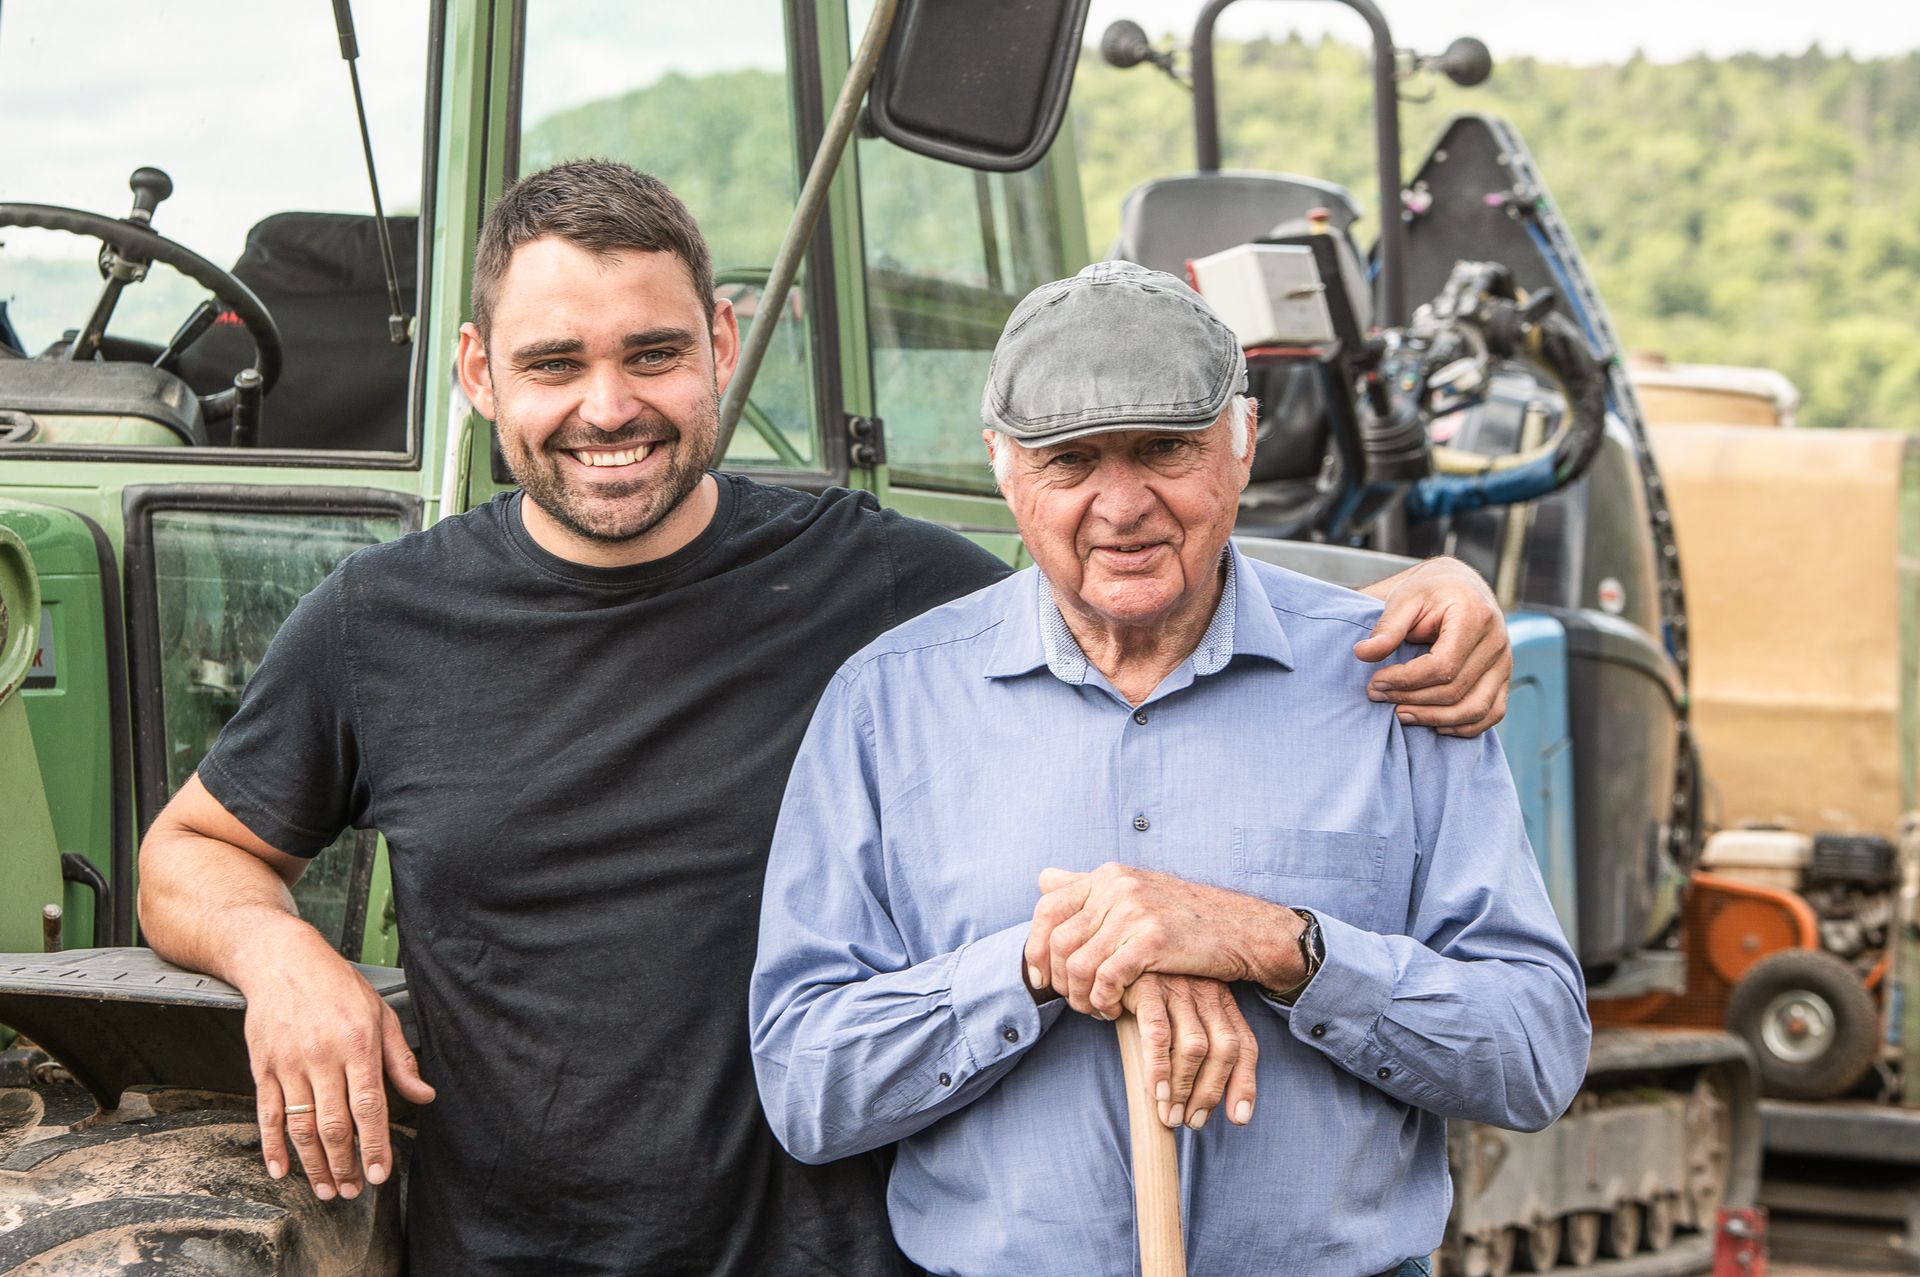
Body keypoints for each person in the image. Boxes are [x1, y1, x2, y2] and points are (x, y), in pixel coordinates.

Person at [136, 166, 1514, 1276]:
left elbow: (1133, 584)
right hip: (513, 1250)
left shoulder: (885, 586)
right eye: (555, 363)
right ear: (479, 372)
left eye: (655, 353)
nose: (608, 407)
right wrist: (283, 955)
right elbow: (189, 853)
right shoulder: (380, 623)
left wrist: (1422, 593)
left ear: (724, 344)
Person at [749, 262, 1590, 1277]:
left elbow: (1535, 1051)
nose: (1122, 503)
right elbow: (806, 1087)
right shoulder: (887, 705)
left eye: (1164, 448)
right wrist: (1041, 964)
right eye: (1070, 459)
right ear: (1001, 464)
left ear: (1242, 442)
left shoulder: (1398, 682)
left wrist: (1277, 944)